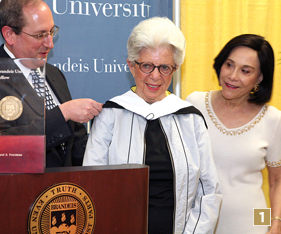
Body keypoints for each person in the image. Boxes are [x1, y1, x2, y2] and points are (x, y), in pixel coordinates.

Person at [83, 17, 221, 234]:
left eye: (165, 67)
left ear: (175, 69)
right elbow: (92, 187)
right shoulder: (109, 116)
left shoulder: (191, 120)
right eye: (147, 65)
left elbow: (208, 191)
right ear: (131, 65)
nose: (155, 76)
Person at [0, 0, 102, 167]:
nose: (50, 43)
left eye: (51, 32)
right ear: (10, 35)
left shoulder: (54, 74)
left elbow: (76, 143)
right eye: (39, 35)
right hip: (18, 192)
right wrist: (62, 113)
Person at [186, 34, 281, 234]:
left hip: (253, 219)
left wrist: (275, 225)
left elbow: (277, 180)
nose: (233, 76)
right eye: (229, 65)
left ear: (260, 78)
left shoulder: (273, 119)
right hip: (197, 220)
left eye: (245, 71)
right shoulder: (194, 104)